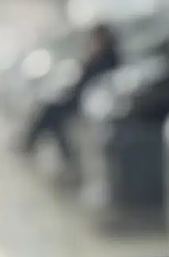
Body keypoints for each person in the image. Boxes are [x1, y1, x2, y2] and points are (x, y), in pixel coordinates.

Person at [21, 23, 120, 160]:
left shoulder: (106, 59)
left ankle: (30, 143)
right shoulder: (97, 58)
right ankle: (38, 145)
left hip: (84, 100)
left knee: (50, 114)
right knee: (51, 116)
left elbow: (91, 81)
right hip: (77, 97)